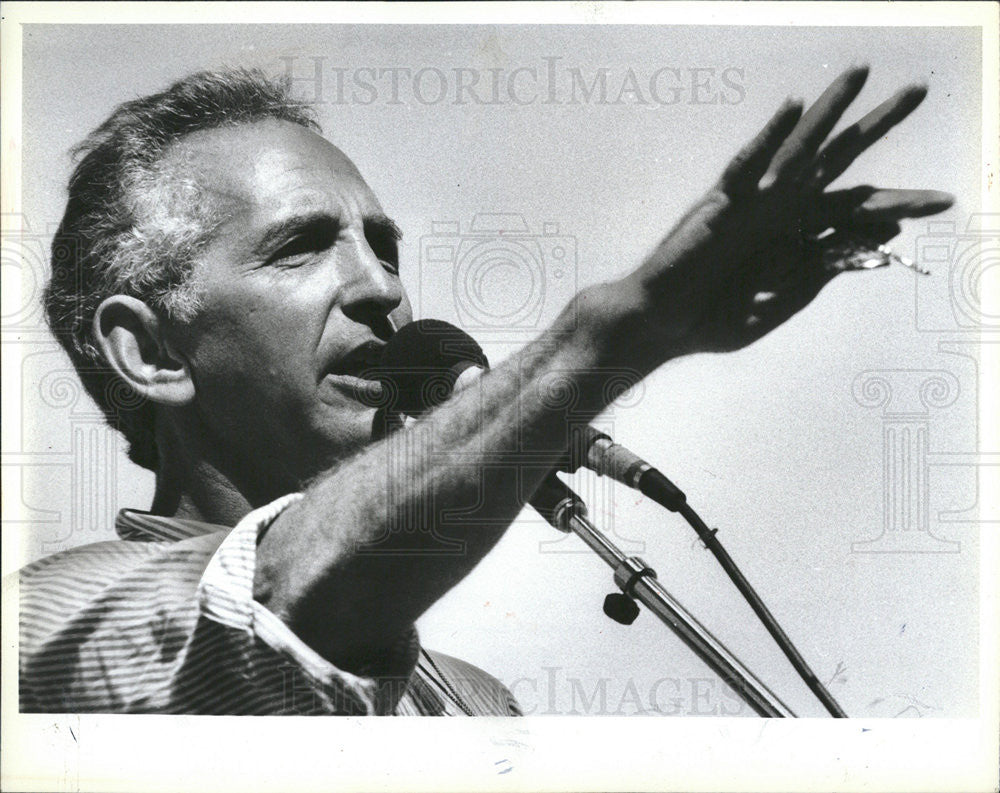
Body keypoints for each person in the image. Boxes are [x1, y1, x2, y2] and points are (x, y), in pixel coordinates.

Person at [19, 66, 952, 715]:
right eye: (299, 245)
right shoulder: (48, 625)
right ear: (150, 353)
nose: (382, 288)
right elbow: (275, 598)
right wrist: (603, 345)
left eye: (385, 247)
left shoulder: (475, 703)